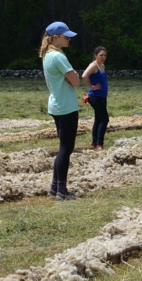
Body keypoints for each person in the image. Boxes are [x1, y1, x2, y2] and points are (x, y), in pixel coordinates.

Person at [40, 21, 81, 200]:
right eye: (66, 37)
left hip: (56, 105)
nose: (69, 39)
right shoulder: (58, 57)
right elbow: (76, 81)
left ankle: (54, 187)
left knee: (63, 147)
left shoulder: (47, 55)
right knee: (66, 148)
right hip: (66, 106)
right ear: (56, 38)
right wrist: (74, 76)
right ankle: (61, 191)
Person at [82, 46, 109, 150]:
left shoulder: (102, 66)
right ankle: (99, 144)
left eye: (105, 55)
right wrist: (91, 87)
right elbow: (84, 76)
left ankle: (94, 142)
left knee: (98, 119)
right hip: (95, 97)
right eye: (101, 55)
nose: (103, 57)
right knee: (105, 119)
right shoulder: (93, 65)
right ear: (95, 55)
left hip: (102, 96)